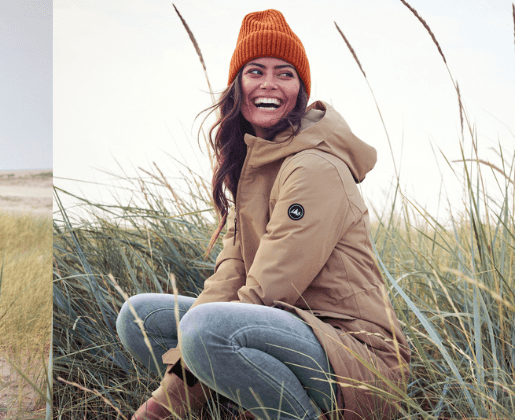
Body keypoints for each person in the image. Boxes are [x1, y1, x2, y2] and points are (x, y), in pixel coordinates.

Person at [115, 10, 410, 420]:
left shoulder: (314, 168)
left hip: (355, 362)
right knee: (140, 317)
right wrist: (180, 380)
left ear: (300, 90)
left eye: (285, 73)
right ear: (238, 86)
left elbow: (269, 291)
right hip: (289, 331)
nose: (269, 84)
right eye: (256, 71)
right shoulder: (256, 165)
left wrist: (161, 407)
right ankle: (251, 400)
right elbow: (230, 276)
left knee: (206, 330)